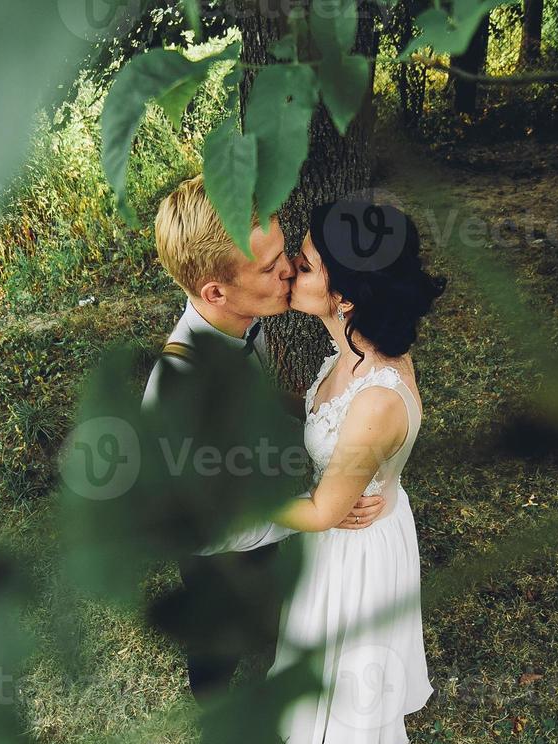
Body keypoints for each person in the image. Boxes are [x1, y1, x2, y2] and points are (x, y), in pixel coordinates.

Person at [142, 176, 385, 704]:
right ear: (215, 292)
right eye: (269, 267)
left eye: (285, 253)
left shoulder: (243, 322)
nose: (290, 271)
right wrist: (321, 509)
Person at [265, 200, 447, 744]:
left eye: (309, 263)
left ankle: (346, 731)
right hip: (357, 516)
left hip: (353, 538)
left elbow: (323, 512)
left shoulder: (377, 398)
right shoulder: (355, 347)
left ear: (344, 296)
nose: (292, 267)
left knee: (349, 653)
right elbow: (324, 415)